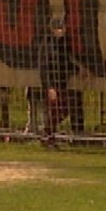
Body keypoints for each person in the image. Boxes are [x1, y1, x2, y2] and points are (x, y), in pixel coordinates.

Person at [38, 16, 76, 146]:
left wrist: (78, 70)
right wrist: (49, 87)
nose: (61, 31)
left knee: (64, 110)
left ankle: (47, 133)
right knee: (54, 110)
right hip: (52, 82)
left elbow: (67, 61)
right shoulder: (47, 45)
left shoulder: (64, 44)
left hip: (62, 81)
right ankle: (48, 136)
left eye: (62, 28)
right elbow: (44, 68)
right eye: (58, 28)